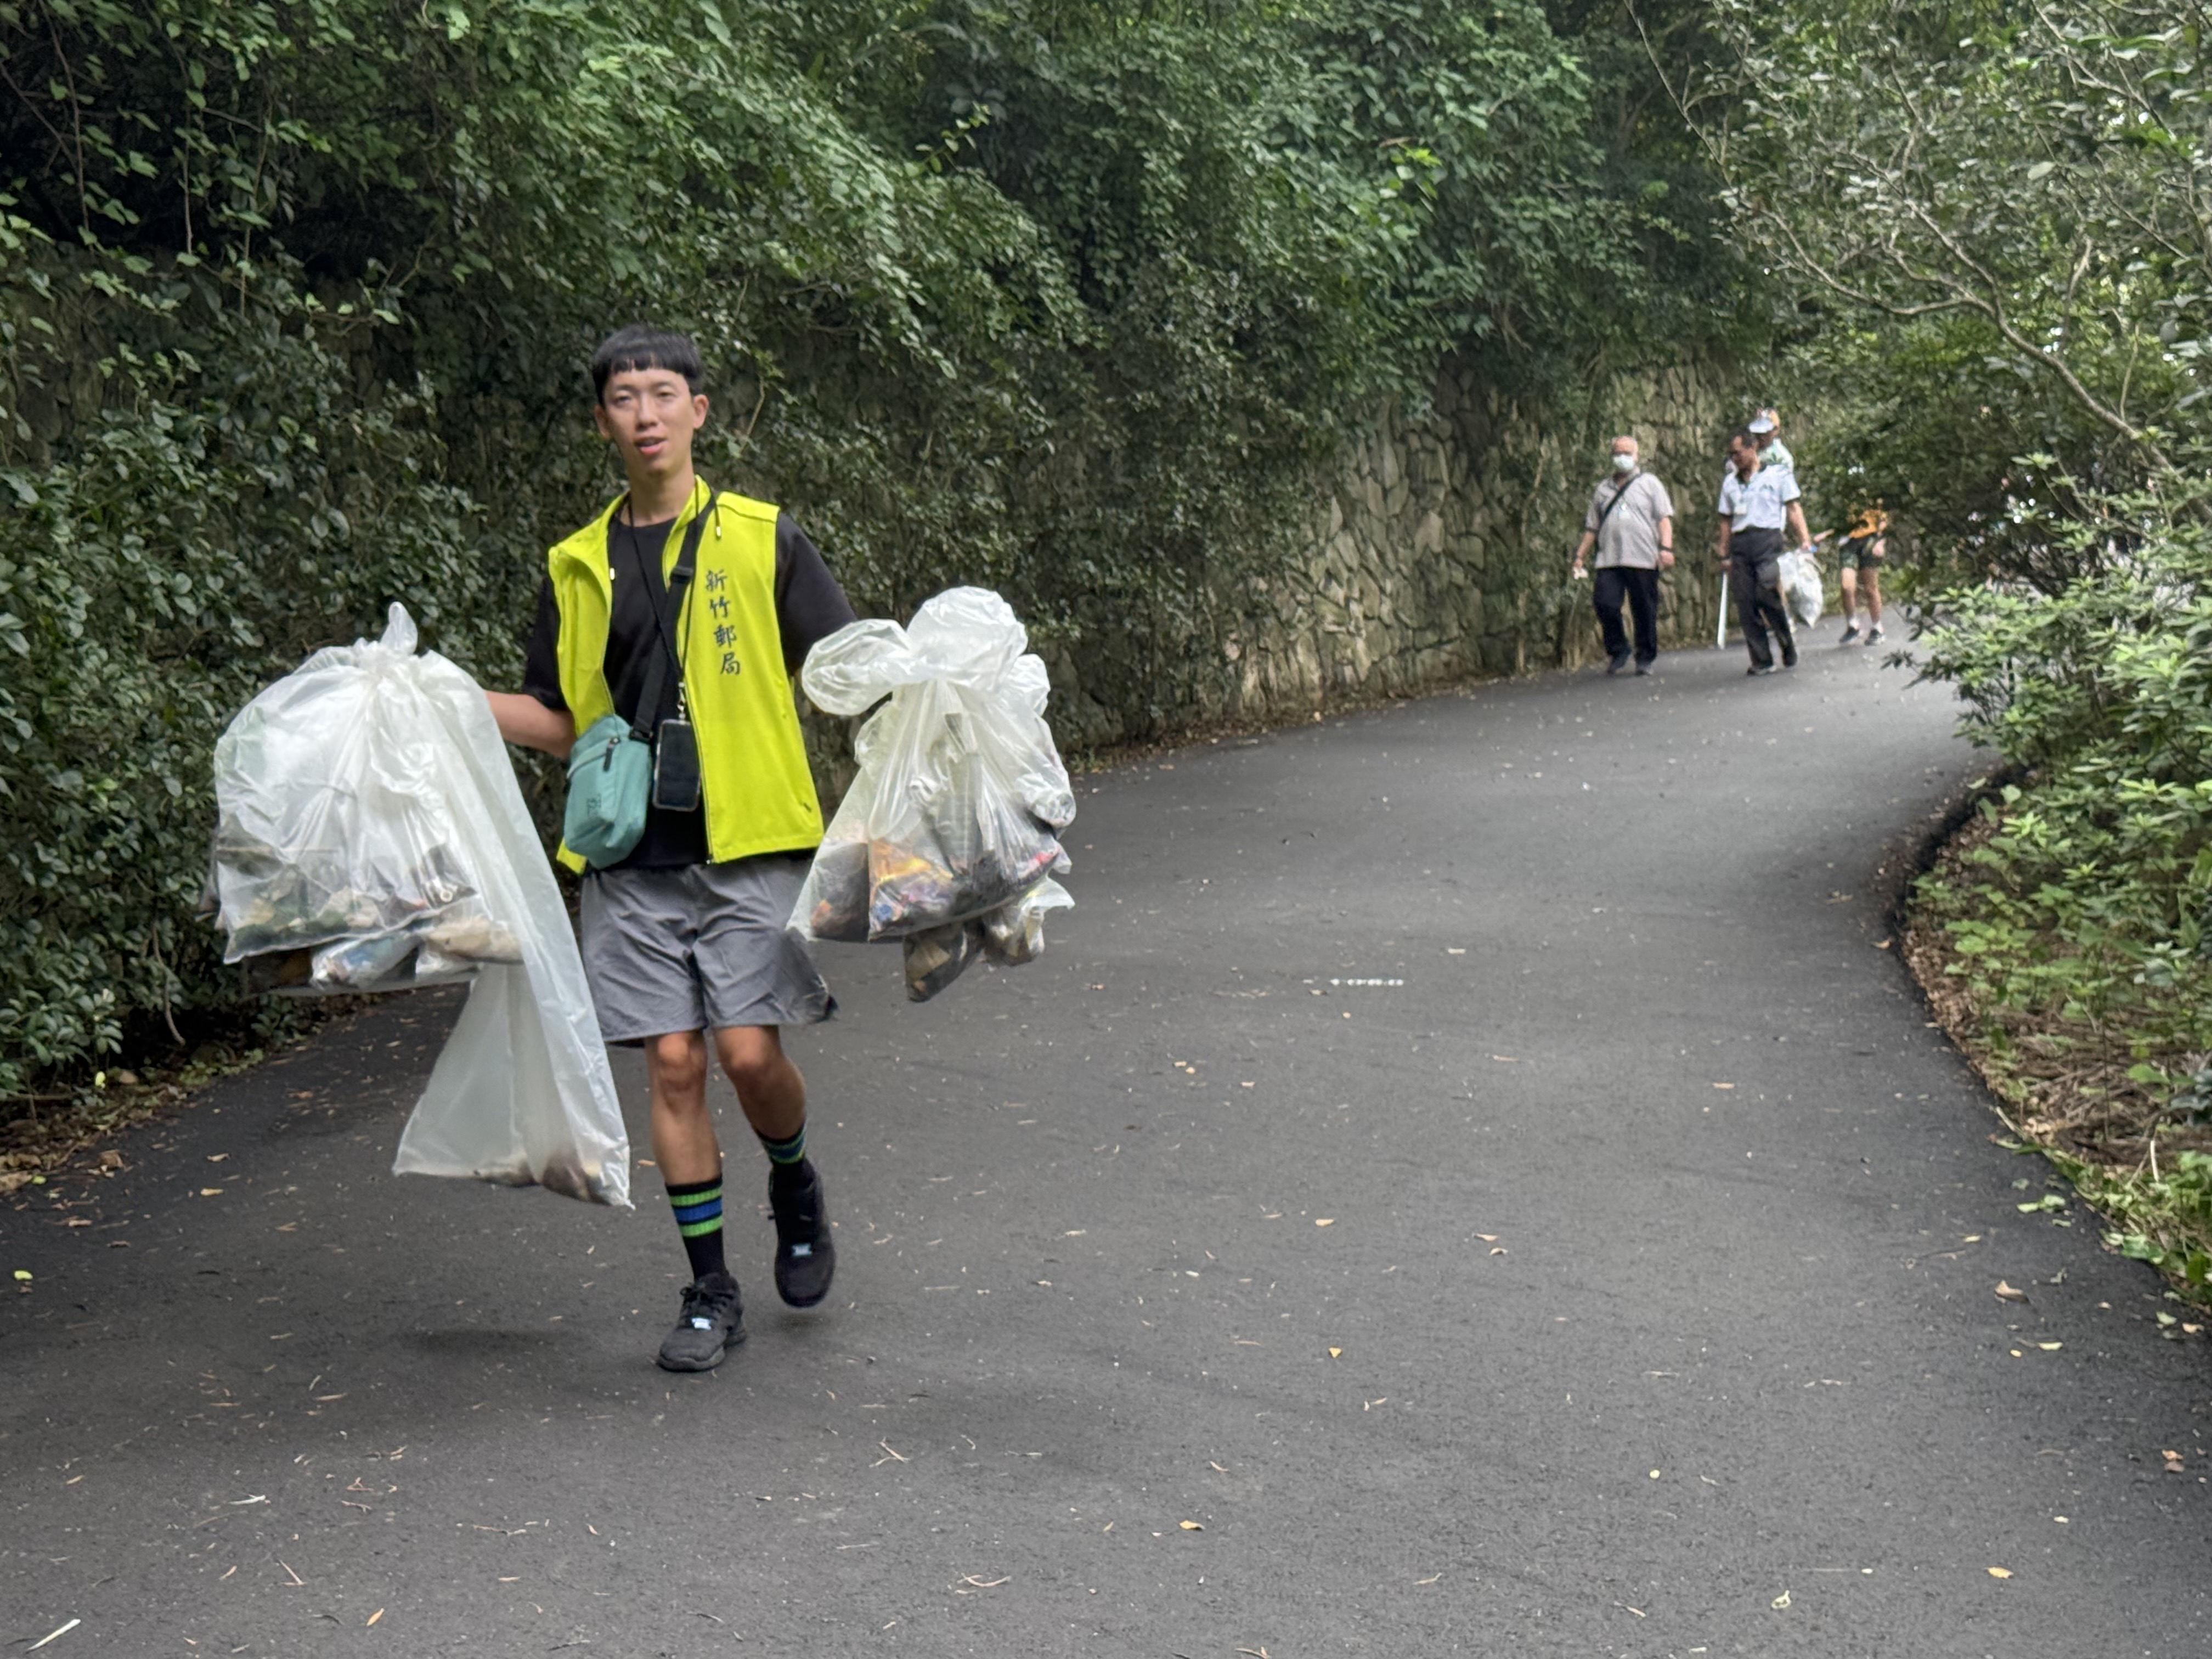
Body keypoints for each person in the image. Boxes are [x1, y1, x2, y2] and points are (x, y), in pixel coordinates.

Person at [486, 325, 859, 1373]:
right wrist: (446, 700)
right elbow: (562, 715)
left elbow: (842, 665)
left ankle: (793, 1177)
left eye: (661, 393)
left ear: (698, 410)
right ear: (602, 420)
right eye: (623, 397)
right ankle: (709, 1290)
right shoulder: (576, 563)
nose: (643, 413)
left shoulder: (763, 536)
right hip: (626, 852)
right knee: (676, 1061)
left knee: (747, 1053)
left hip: (750, 842)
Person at [1569, 435, 1675, 676]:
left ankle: (1645, 657)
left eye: (1627, 453)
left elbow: (1664, 519)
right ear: (1611, 456)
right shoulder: (1602, 490)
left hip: (1643, 558)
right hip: (1609, 559)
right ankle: (1618, 649)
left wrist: (1666, 549)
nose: (1622, 457)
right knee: (1604, 603)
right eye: (1618, 453)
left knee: (1644, 609)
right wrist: (1580, 556)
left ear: (1637, 456)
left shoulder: (1650, 484)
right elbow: (1592, 527)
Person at [1716, 429, 1813, 676]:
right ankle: (1761, 659)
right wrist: (1724, 550)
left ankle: (1786, 641)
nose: (1735, 458)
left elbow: (1793, 508)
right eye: (1731, 454)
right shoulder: (1730, 483)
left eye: (1738, 453)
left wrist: (1804, 539)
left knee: (1767, 591)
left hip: (1767, 539)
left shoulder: (1777, 475)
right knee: (1746, 601)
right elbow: (1726, 519)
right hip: (1741, 542)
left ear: (1753, 449)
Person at [1833, 504, 1889, 645]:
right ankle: (1853, 625)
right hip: (1850, 541)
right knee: (1847, 586)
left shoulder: (1874, 498)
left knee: (1870, 588)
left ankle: (1877, 628)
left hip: (1871, 540)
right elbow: (1838, 521)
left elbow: (1886, 522)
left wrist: (1880, 542)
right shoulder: (1844, 498)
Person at [1748, 408, 1794, 475]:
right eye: (1758, 433)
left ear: (1775, 431)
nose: (1761, 437)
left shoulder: (1782, 458)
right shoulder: (1750, 452)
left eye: (1766, 433)